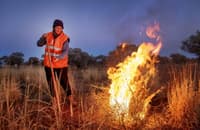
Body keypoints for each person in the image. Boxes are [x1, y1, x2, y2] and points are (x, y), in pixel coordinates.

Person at [37, 19, 72, 103]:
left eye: (60, 28)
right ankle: (55, 100)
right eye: (57, 27)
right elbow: (39, 44)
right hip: (49, 65)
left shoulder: (65, 38)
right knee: (51, 83)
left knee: (64, 82)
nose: (58, 29)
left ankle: (70, 98)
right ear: (53, 28)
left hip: (61, 65)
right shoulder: (48, 35)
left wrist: (59, 57)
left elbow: (65, 51)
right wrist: (42, 37)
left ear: (62, 28)